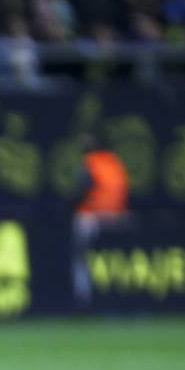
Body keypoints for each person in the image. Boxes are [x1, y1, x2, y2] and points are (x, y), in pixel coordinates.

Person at [71, 130, 129, 308]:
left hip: (94, 217)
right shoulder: (113, 160)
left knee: (79, 255)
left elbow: (81, 189)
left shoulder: (89, 162)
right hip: (118, 216)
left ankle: (83, 297)